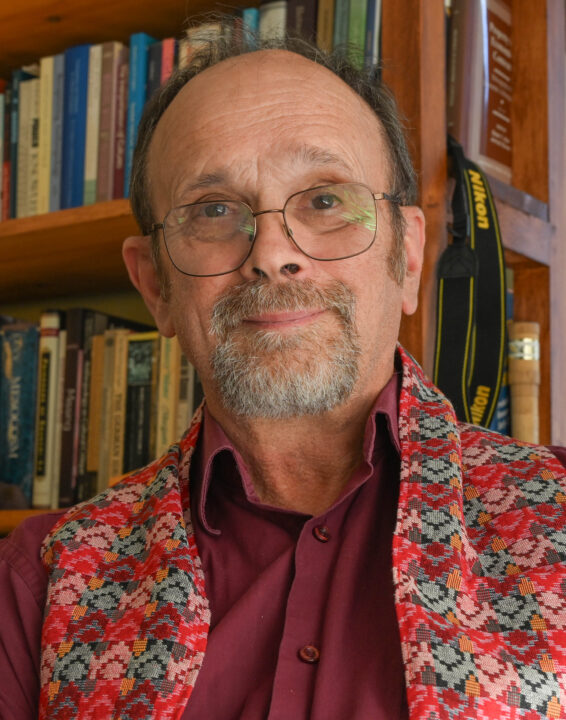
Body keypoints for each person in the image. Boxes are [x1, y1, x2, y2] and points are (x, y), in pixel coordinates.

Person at [1, 28, 566, 720]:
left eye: (325, 200)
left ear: (409, 256)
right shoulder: (38, 587)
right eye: (214, 210)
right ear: (154, 287)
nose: (271, 253)